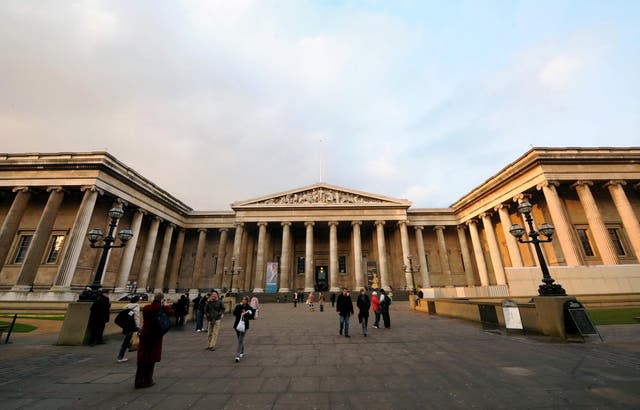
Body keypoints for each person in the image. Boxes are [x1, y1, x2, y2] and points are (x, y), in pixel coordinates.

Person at [135, 292, 173, 389]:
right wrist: (165, 305)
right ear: (162, 299)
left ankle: (138, 380)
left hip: (145, 334)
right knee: (151, 358)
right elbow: (171, 313)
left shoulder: (147, 307)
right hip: (155, 335)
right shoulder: (162, 308)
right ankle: (148, 380)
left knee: (143, 357)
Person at [117, 295, 140, 363]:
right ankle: (120, 357)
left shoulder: (126, 306)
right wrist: (138, 326)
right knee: (127, 341)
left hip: (127, 326)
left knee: (128, 340)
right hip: (133, 327)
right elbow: (136, 317)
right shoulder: (136, 306)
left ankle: (121, 356)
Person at [232, 296, 255, 362]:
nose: (243, 300)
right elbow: (234, 313)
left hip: (244, 326)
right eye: (242, 299)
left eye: (244, 299)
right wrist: (240, 309)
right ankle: (242, 351)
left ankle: (237, 356)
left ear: (247, 301)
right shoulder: (238, 306)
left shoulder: (249, 308)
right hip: (237, 325)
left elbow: (252, 317)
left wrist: (246, 314)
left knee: (240, 340)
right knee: (239, 339)